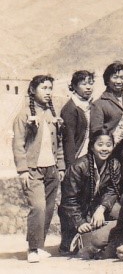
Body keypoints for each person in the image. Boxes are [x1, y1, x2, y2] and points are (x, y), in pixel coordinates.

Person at [12, 75, 65, 263]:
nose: (48, 92)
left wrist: (60, 166)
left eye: (50, 88)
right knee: (38, 207)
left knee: (48, 208)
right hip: (33, 170)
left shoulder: (52, 114)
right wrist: (23, 170)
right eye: (44, 88)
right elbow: (18, 144)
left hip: (52, 169)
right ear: (33, 90)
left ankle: (40, 246)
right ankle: (33, 248)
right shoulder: (24, 115)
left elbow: (59, 143)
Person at [58, 131, 121, 255]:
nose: (104, 149)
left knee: (120, 213)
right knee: (76, 251)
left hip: (97, 208)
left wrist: (101, 208)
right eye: (100, 145)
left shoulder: (114, 164)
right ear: (92, 146)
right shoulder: (78, 166)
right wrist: (79, 223)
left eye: (108, 145)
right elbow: (69, 200)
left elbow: (112, 190)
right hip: (76, 212)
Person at [60, 70, 95, 168]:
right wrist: (71, 166)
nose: (88, 87)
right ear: (74, 86)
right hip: (77, 156)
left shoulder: (91, 104)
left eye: (90, 83)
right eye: (84, 84)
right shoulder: (70, 108)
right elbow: (69, 139)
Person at [90, 61, 123, 136]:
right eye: (115, 77)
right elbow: (96, 132)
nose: (119, 81)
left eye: (122, 78)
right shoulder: (98, 104)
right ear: (107, 80)